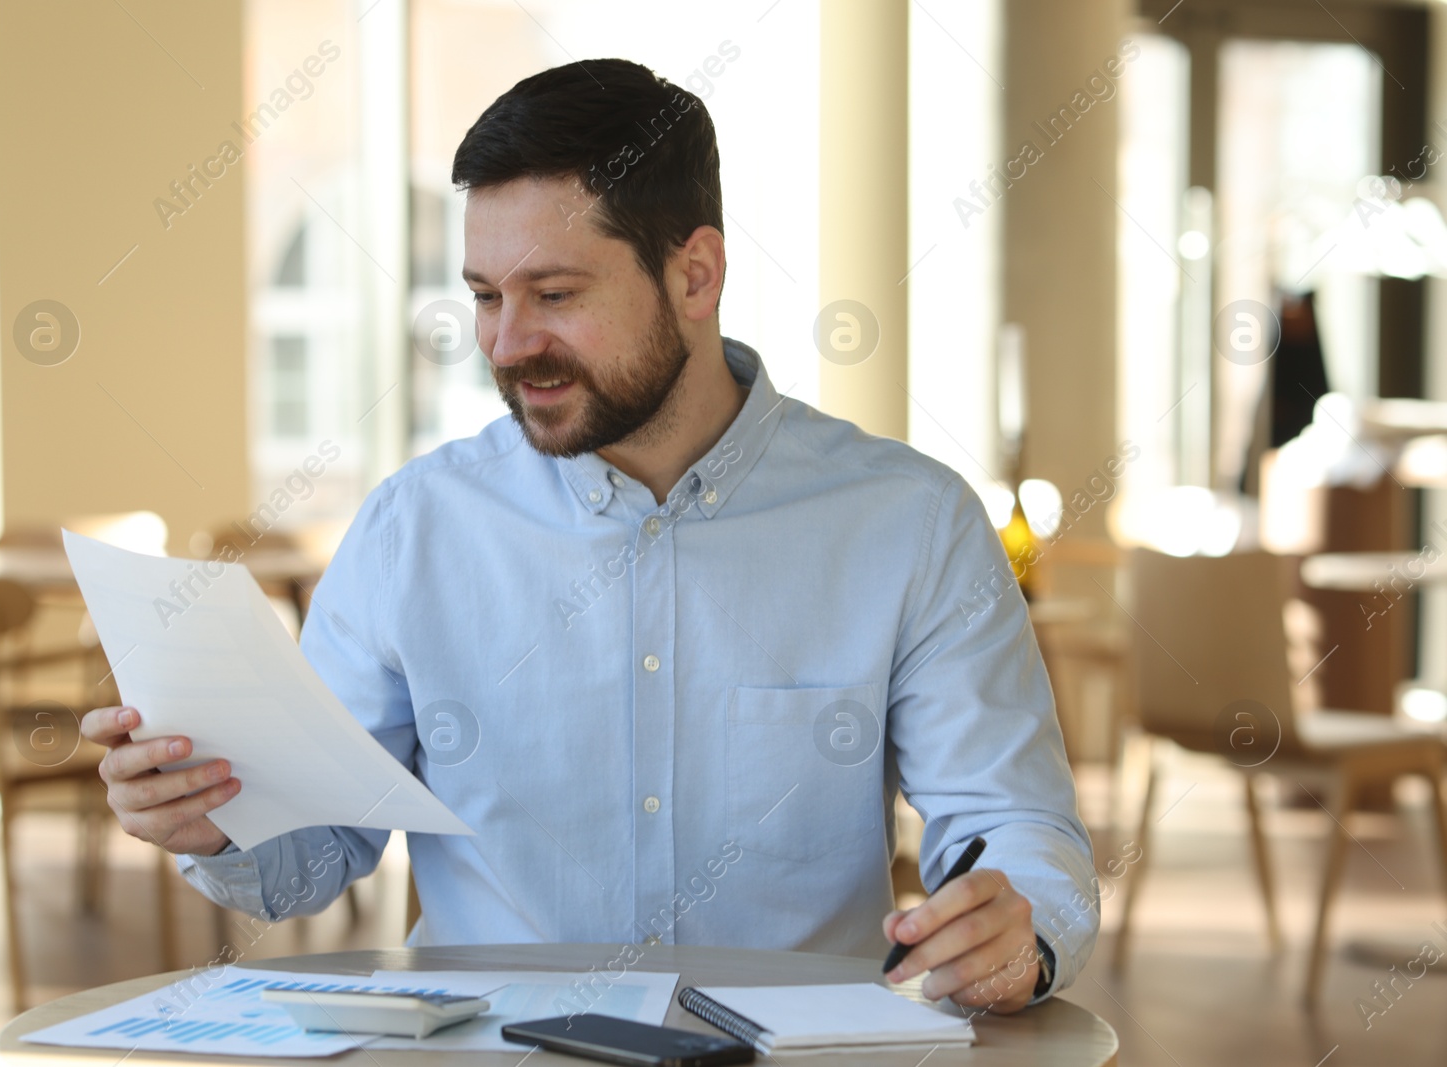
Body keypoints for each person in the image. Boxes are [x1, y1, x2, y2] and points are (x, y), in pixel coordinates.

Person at [83, 57, 1098, 1015]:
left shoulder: (907, 524)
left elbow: (1014, 818)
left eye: (555, 295)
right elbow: (314, 853)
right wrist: (214, 817)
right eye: (485, 297)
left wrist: (1020, 927)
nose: (507, 344)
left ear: (694, 275)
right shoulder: (415, 528)